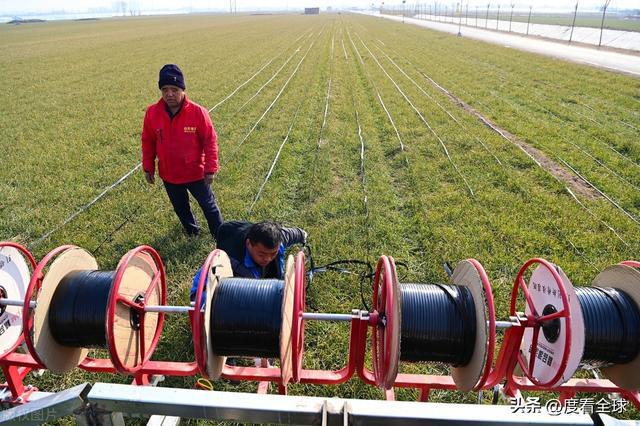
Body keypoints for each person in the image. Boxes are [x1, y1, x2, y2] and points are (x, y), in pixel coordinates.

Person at [141, 64, 223, 238]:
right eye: (165, 89)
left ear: (183, 90)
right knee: (180, 207)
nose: (169, 94)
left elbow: (210, 141)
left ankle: (220, 235)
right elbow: (148, 141)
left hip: (196, 173)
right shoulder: (152, 113)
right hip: (170, 175)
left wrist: (210, 169)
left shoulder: (198, 112)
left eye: (174, 89)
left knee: (208, 205)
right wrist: (148, 167)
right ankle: (192, 232)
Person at [190, 220, 307, 300]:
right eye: (261, 254)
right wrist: (203, 302)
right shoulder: (232, 260)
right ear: (248, 244)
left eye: (273, 254)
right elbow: (203, 282)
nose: (267, 259)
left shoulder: (278, 240)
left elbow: (291, 234)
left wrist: (302, 234)